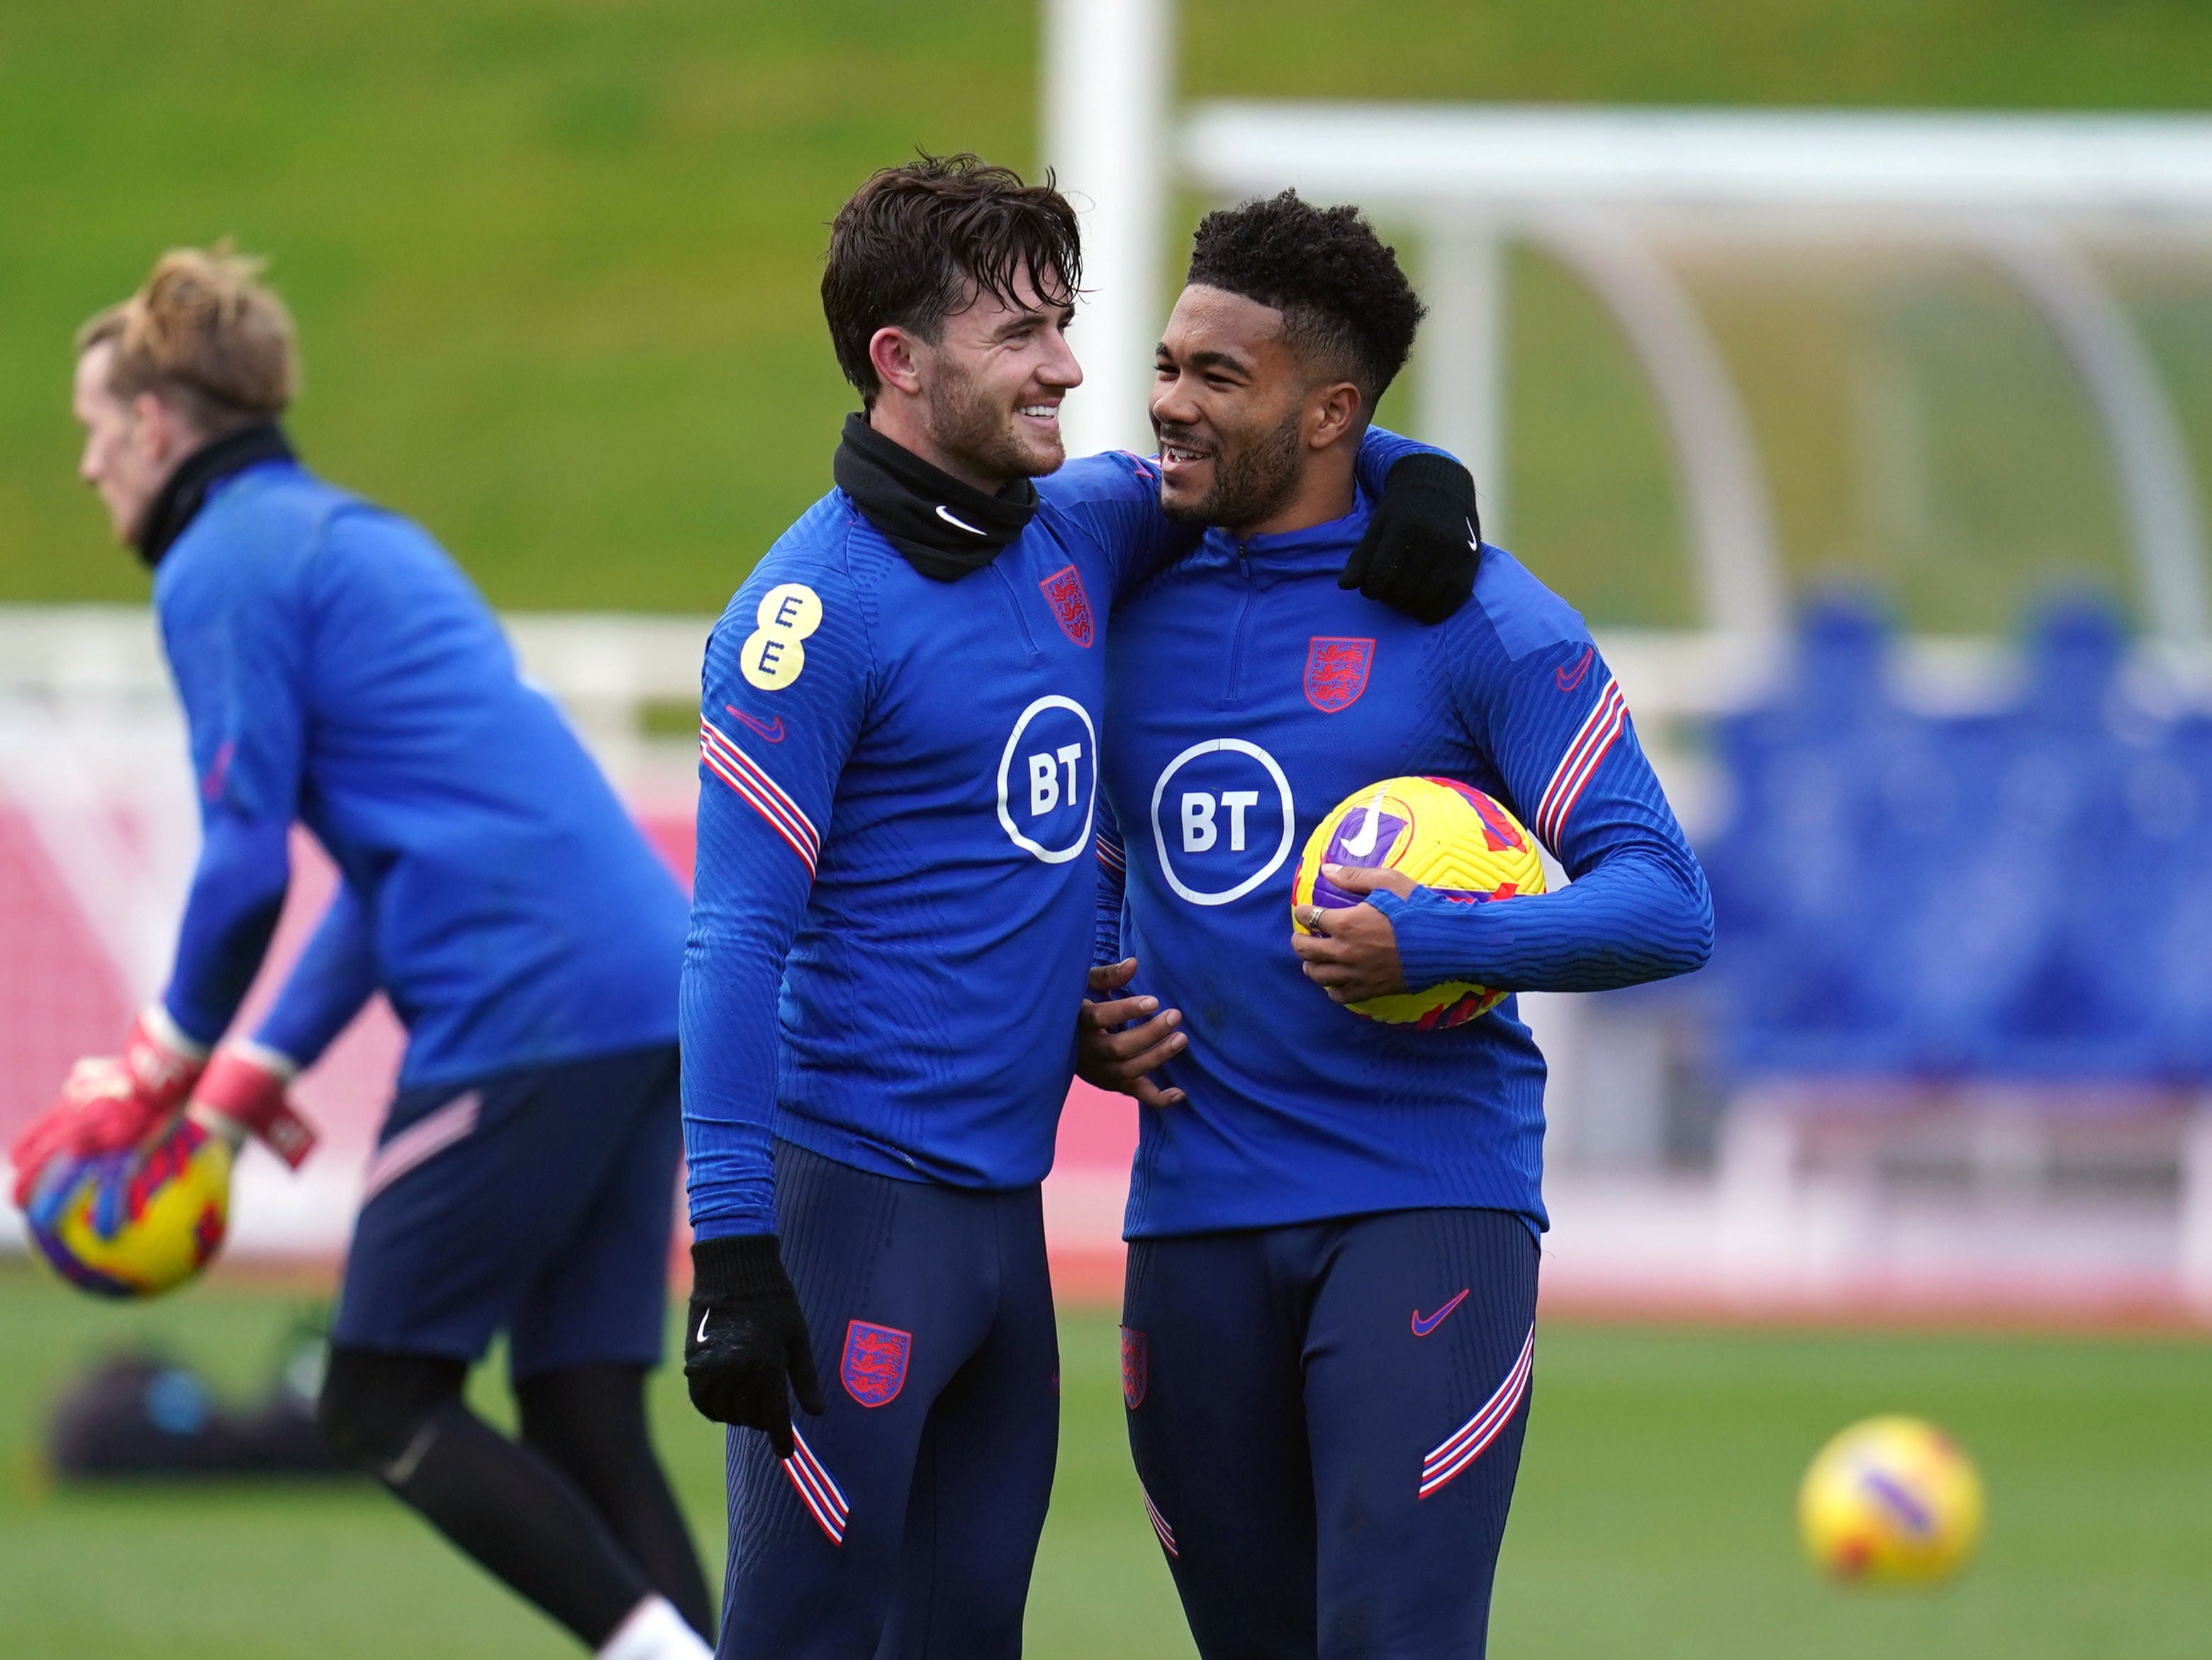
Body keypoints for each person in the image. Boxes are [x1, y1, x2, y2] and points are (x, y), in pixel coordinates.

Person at [678, 155, 1480, 1659]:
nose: (1069, 369)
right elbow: (732, 936)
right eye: (1022, 336)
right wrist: (730, 1250)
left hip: (1004, 1225)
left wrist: (1413, 475)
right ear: (899, 363)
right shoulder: (806, 621)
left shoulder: (1083, 529)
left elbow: (1275, 432)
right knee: (801, 1633)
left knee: (971, 1632)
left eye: (1065, 323)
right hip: (852, 1203)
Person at [13, 247, 715, 1660]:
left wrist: (160, 1064)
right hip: (647, 981)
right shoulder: (358, 535)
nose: (88, 468)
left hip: (530, 1002)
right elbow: (391, 871)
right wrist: (254, 1067)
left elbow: (244, 863)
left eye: (96, 432)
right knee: (580, 1406)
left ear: (156, 424)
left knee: (379, 1392)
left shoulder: (215, 563)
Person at [1078, 193, 1714, 1659]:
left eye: (1216, 377)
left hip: (1421, 1208)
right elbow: (1100, 836)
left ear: (1331, 412)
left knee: (1391, 1639)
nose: (1168, 402)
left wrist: (1440, 942)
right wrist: (1087, 999)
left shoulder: (1487, 620)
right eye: (1168, 364)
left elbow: (1661, 898)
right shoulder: (1122, 587)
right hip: (1190, 1218)